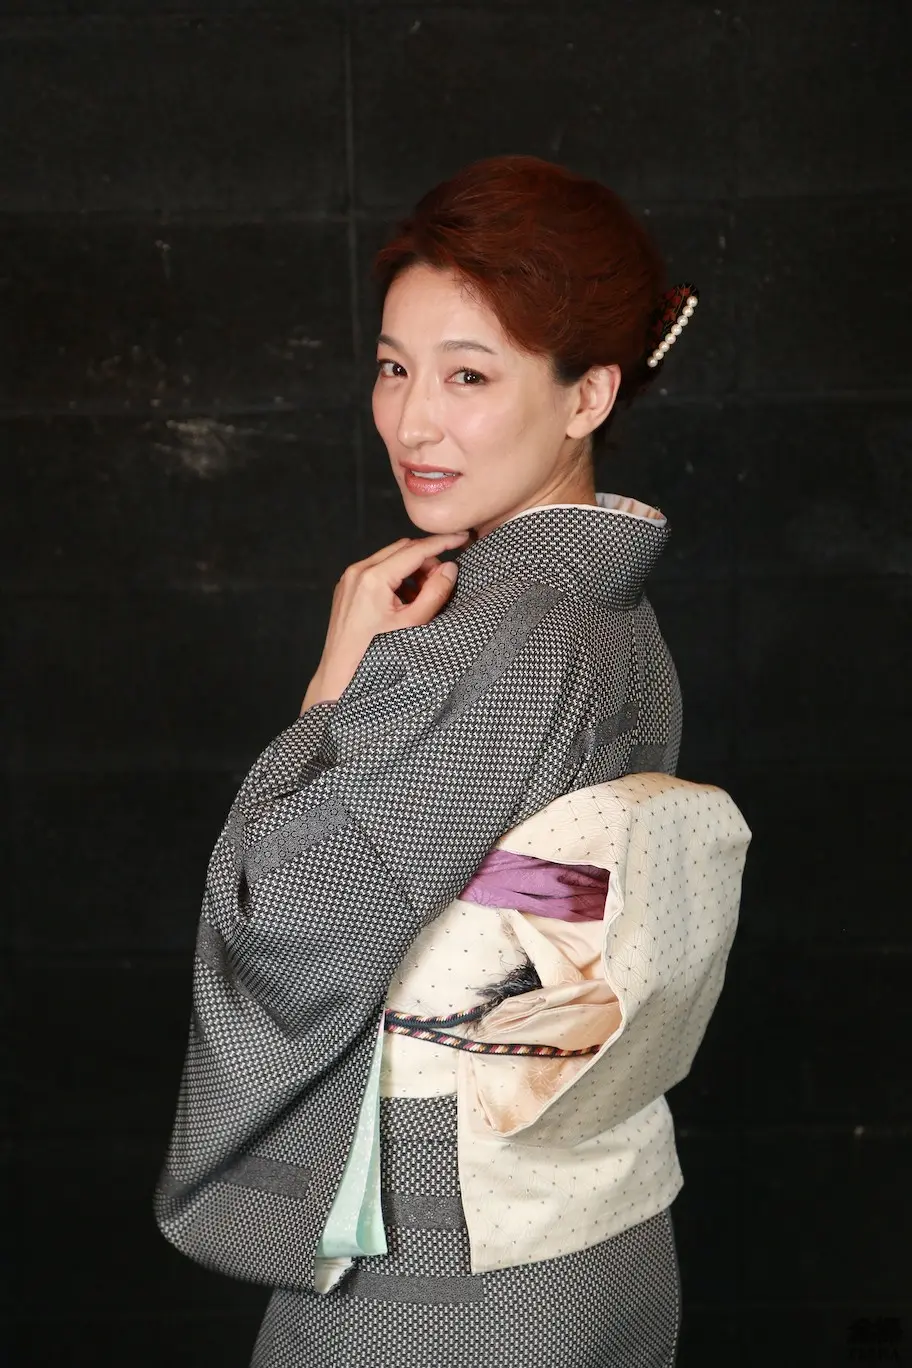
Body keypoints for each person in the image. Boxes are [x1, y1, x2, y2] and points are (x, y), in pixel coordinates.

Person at [155, 154, 713, 1366]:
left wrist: (329, 694)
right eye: (394, 367)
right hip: (595, 1219)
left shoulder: (499, 640)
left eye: (469, 375)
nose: (413, 421)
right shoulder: (613, 616)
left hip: (443, 1252)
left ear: (587, 395)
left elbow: (290, 922)